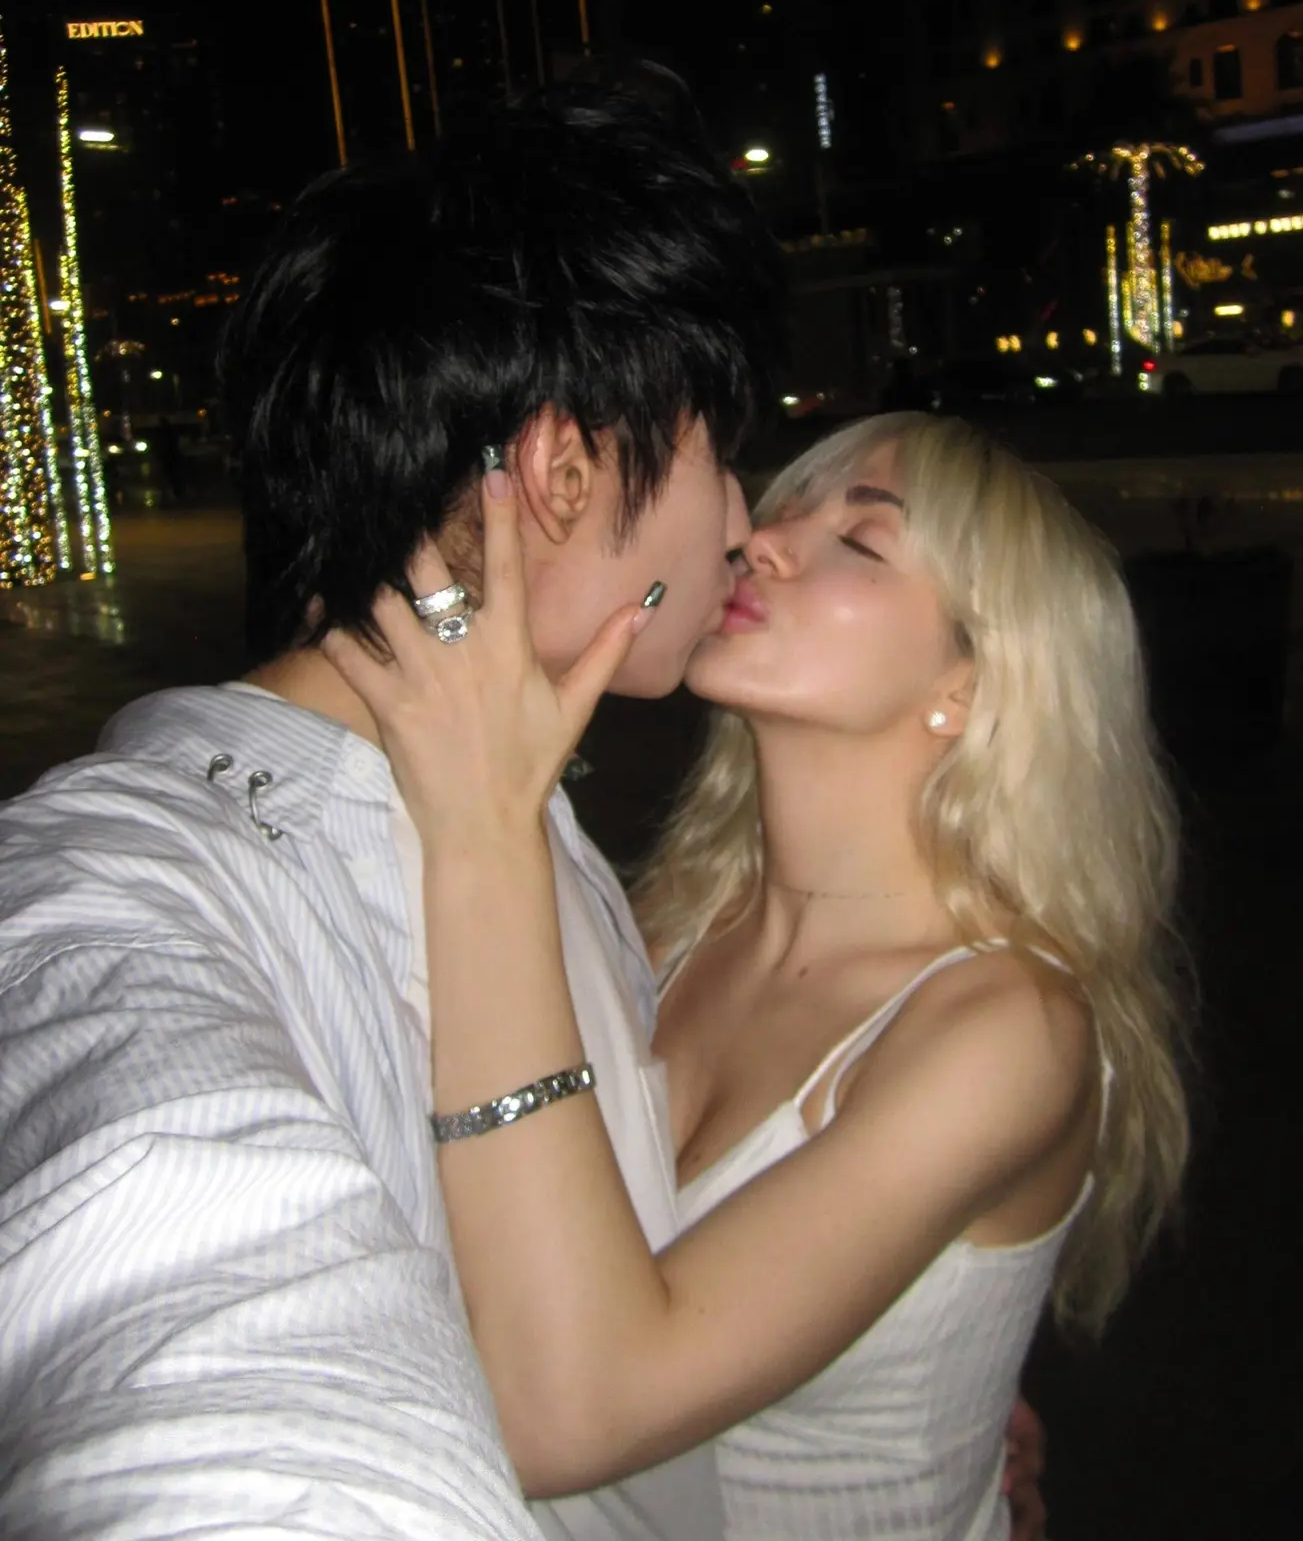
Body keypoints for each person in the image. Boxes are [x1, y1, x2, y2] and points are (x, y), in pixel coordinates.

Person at [0, 84, 784, 1540]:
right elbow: (159, 1232)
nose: (743, 520)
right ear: (564, 469)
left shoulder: (515, 796)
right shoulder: (134, 876)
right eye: (717, 451)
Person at [324, 410, 1190, 1540]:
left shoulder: (1007, 1028)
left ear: (969, 688)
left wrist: (485, 829)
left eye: (861, 542)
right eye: (782, 514)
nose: (761, 543)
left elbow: (573, 1414)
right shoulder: (669, 929)